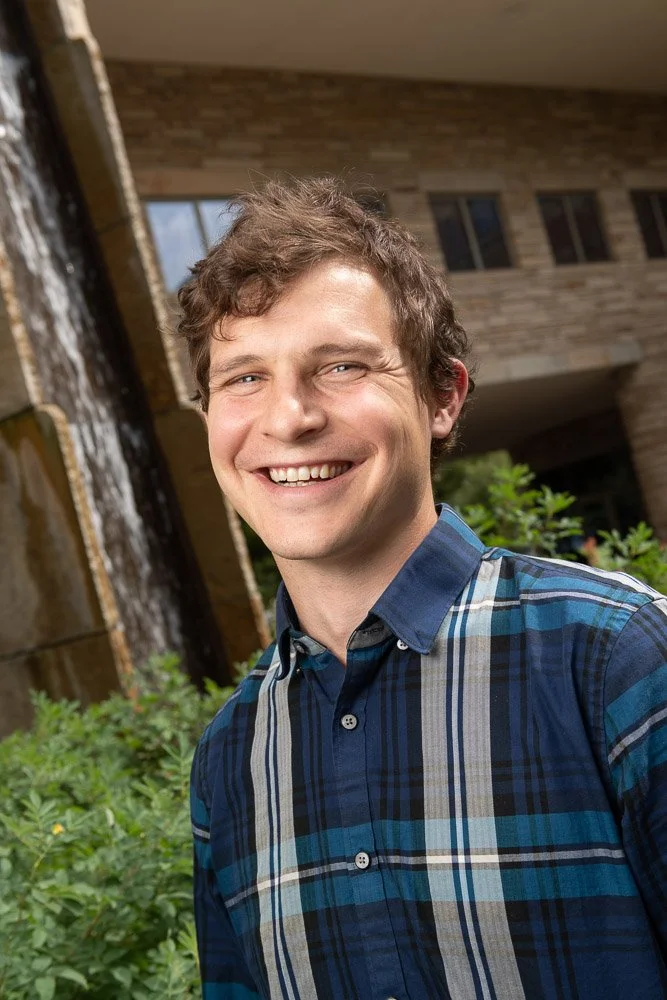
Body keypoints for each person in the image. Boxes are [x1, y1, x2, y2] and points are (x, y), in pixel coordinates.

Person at [181, 177, 667, 1000]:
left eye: (339, 365)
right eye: (244, 378)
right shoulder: (230, 760)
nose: (288, 416)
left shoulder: (616, 656)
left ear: (443, 395)